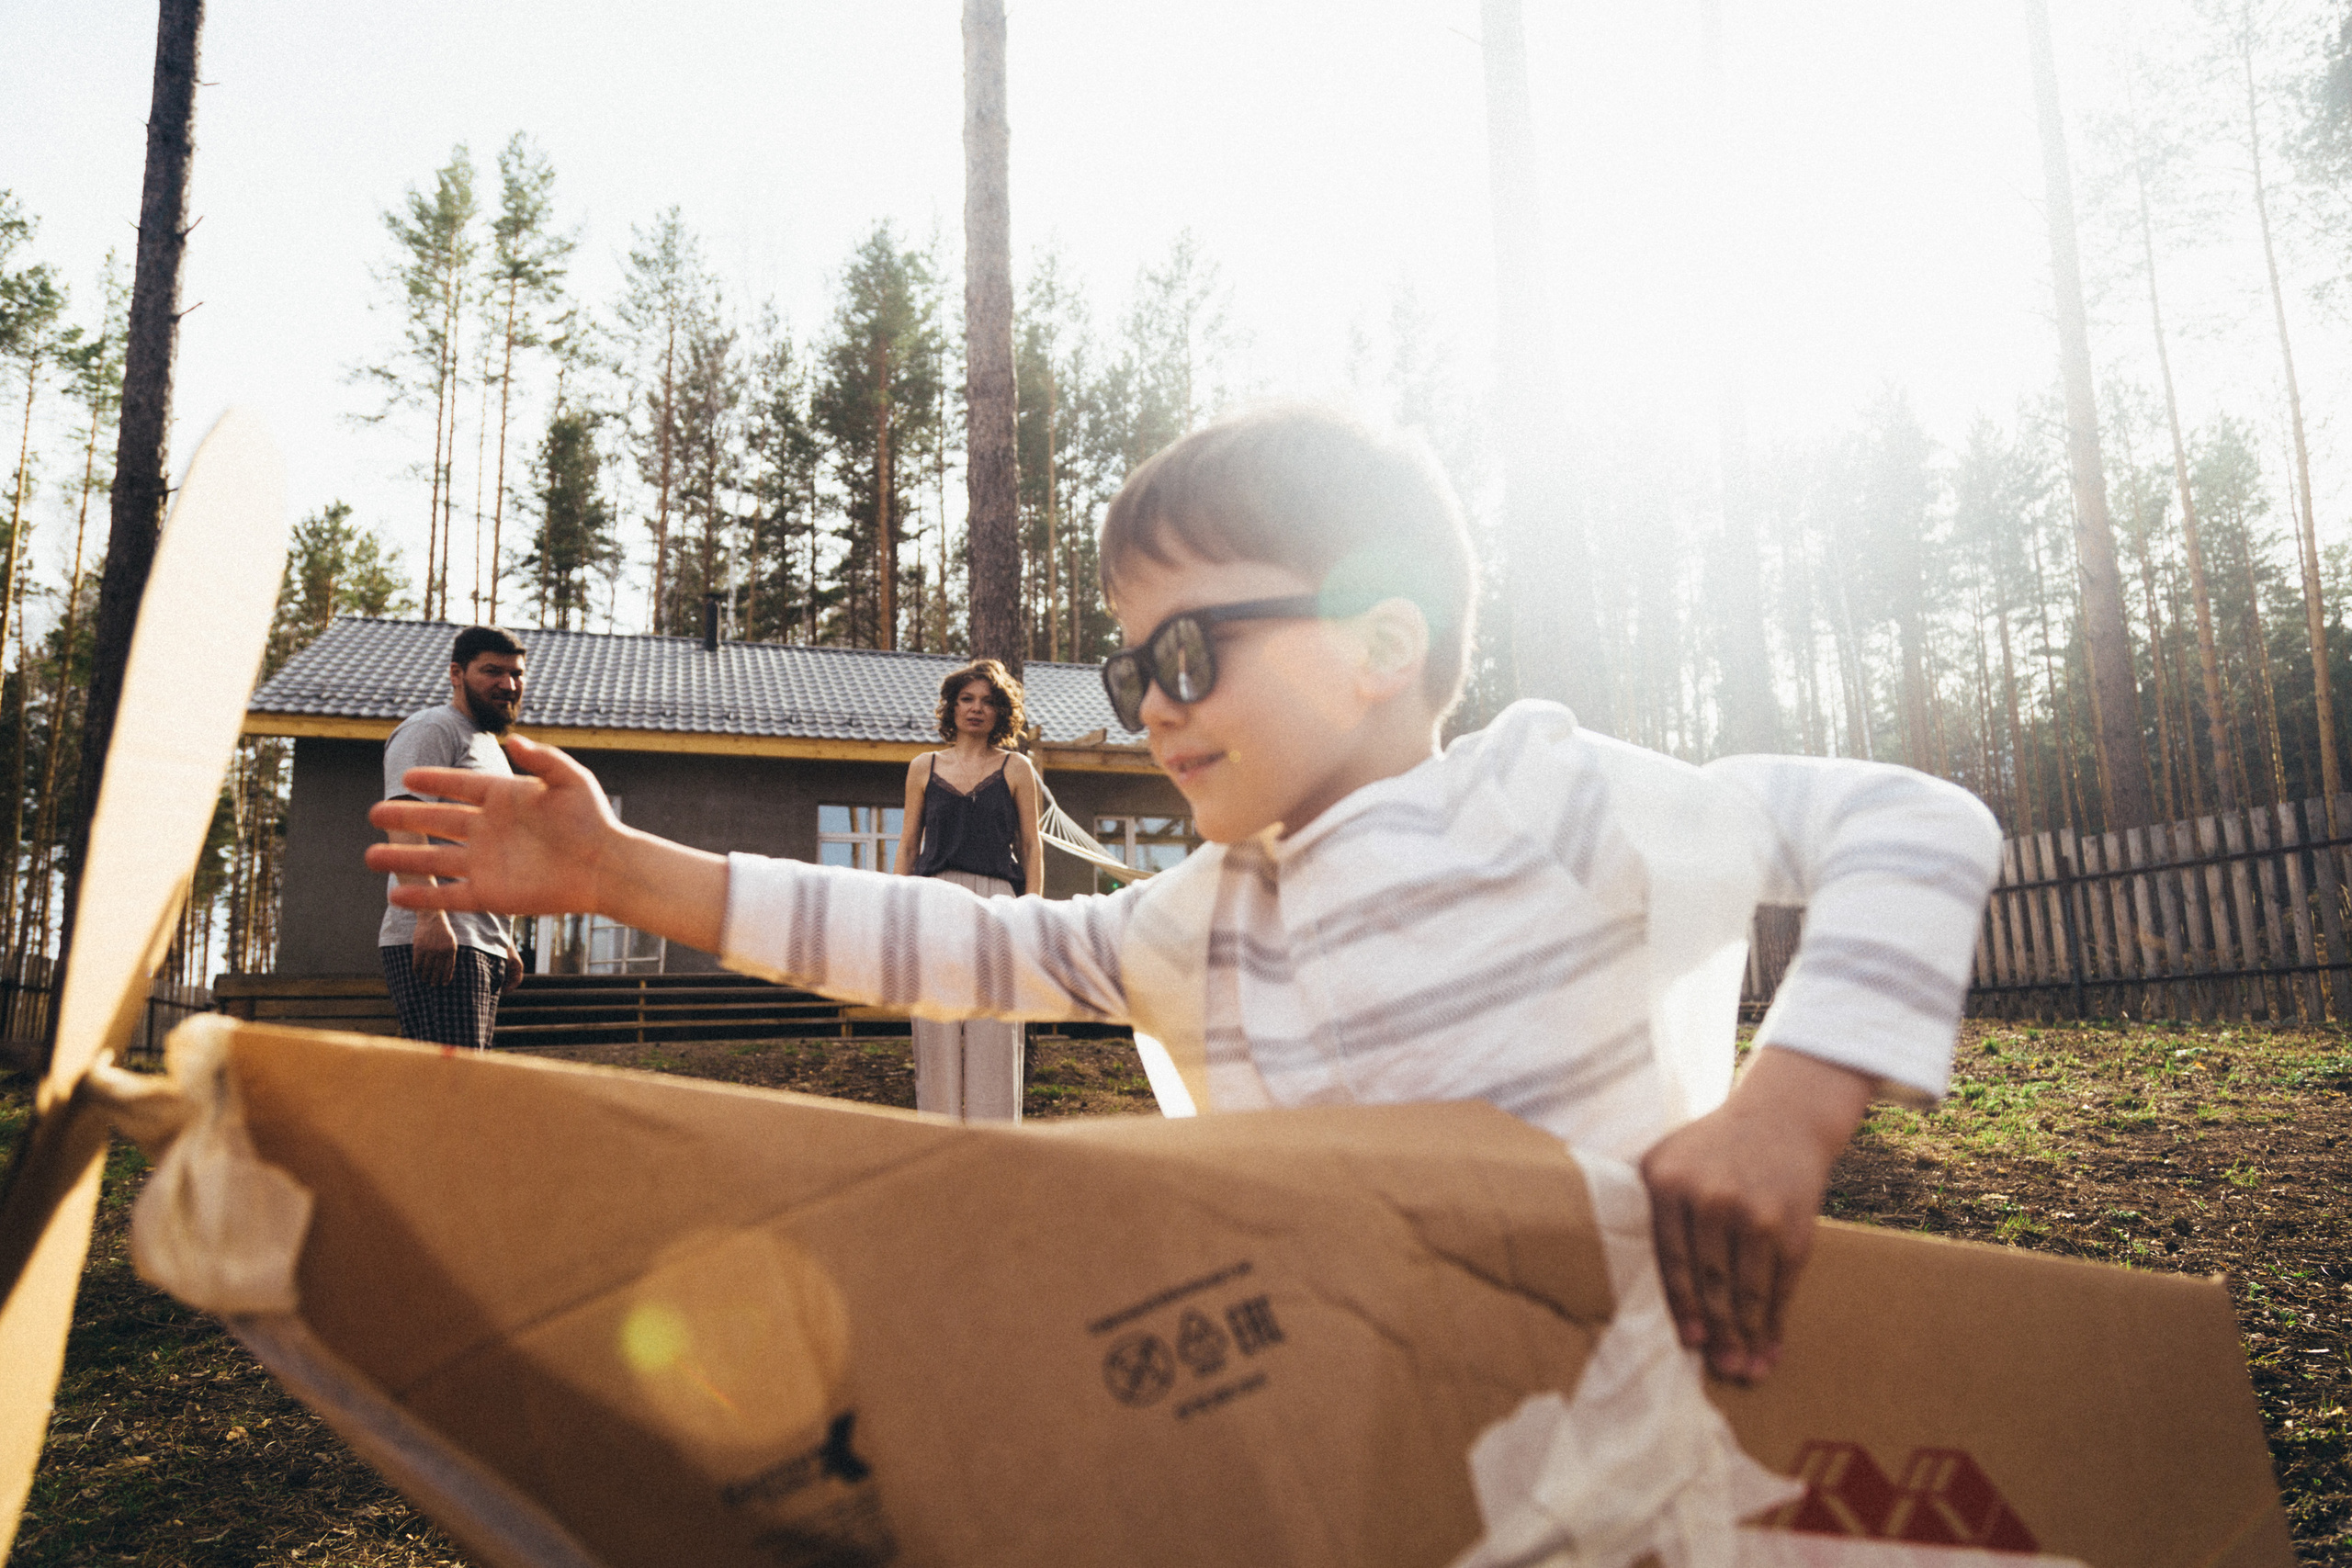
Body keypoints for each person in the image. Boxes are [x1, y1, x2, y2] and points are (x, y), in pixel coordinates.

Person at [368, 404, 2000, 1386]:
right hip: (1359, 1452)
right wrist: (616, 871)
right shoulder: (1201, 917)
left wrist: (1787, 1116)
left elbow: (1915, 828)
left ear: (1381, 645)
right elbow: (957, 938)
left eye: (1189, 652)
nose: (1144, 702)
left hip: (1629, 1428)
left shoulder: (1544, 794)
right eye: (1123, 660)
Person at [891, 659, 1045, 1121]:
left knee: (994, 1021)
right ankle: (937, 1136)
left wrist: (1032, 910)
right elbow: (906, 844)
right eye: (967, 699)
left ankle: (995, 1142)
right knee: (935, 1021)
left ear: (1001, 713)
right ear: (952, 707)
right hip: (932, 897)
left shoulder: (1016, 768)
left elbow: (1033, 848)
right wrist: (896, 909)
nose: (976, 709)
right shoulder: (923, 767)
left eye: (988, 701)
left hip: (999, 901)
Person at [377, 625, 527, 1049]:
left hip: (480, 941)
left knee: (463, 1093)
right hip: (442, 939)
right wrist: (429, 917)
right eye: (492, 672)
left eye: (516, 674)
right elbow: (403, 821)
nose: (508, 684)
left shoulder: (489, 749)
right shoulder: (433, 728)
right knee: (451, 1096)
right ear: (456, 674)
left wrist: (503, 939)